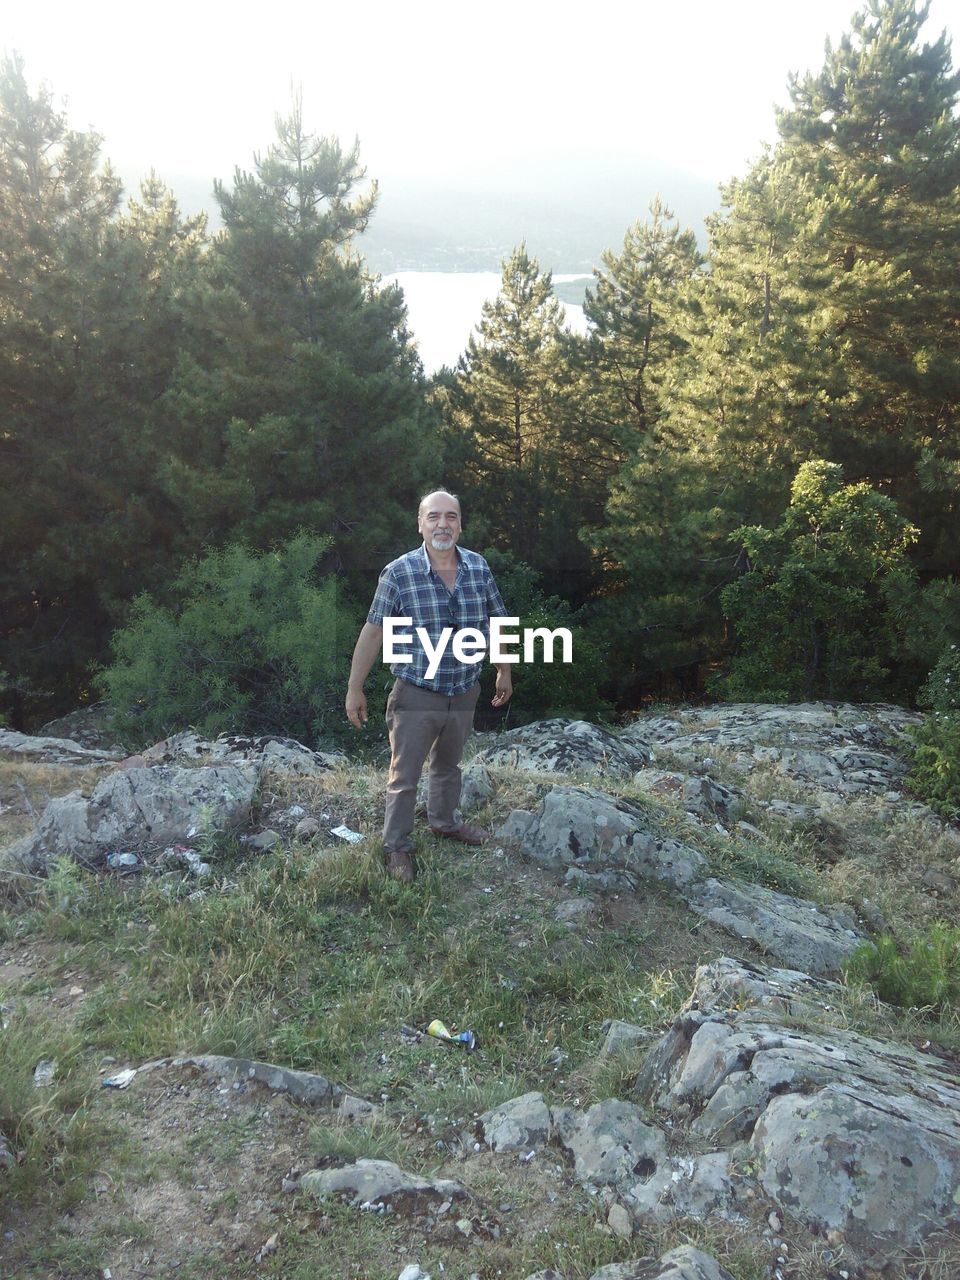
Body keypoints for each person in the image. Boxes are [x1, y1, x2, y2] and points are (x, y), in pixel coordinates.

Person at [345, 489, 513, 882]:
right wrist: (355, 687)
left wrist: (504, 670)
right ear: (420, 524)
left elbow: (497, 622)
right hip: (417, 690)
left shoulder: (478, 567)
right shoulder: (399, 572)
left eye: (450, 517)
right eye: (434, 516)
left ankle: (445, 822)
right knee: (404, 776)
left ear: (460, 524)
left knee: (448, 765)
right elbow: (373, 632)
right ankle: (397, 847)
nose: (443, 524)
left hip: (464, 688)